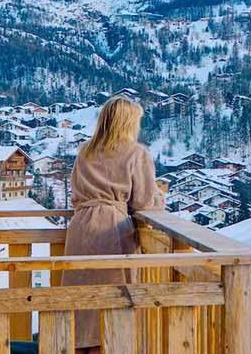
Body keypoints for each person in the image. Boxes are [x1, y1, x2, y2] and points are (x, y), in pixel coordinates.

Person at [64, 95, 165, 352]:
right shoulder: (136, 153)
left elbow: (75, 194)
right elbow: (143, 202)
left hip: (79, 228)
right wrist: (160, 195)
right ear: (128, 123)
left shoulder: (85, 151)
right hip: (112, 228)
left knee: (81, 299)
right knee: (114, 297)